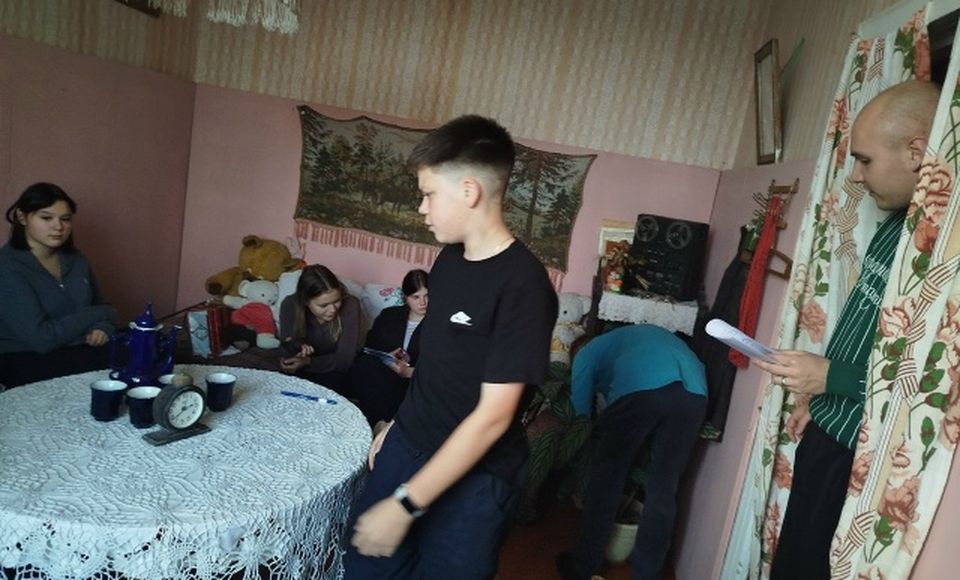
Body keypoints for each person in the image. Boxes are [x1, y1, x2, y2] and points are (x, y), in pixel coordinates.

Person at [343, 115, 558, 579]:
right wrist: (396, 424)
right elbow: (437, 364)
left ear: (468, 191)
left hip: (476, 476)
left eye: (429, 194)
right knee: (364, 566)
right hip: (409, 442)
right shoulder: (449, 260)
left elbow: (493, 417)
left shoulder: (524, 286)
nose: (422, 208)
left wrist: (406, 503)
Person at [753, 80, 940, 580]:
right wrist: (819, 396)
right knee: (790, 564)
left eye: (865, 160)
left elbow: (929, 379)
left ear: (917, 152)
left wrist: (829, 377)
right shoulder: (897, 225)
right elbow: (862, 324)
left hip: (861, 454)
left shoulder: (942, 249)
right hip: (828, 431)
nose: (856, 175)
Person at [554, 325, 707, 580]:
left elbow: (580, 416)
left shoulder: (585, 353)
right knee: (663, 489)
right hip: (695, 394)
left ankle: (583, 567)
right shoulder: (628, 340)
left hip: (642, 388)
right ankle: (647, 574)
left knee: (607, 480)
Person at [0, 182, 117, 388]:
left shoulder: (76, 258)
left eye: (65, 219)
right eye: (46, 218)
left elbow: (104, 307)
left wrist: (102, 327)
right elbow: (41, 339)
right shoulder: (7, 266)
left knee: (145, 355)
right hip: (25, 357)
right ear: (22, 217)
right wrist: (98, 315)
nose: (58, 227)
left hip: (80, 349)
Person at [349, 269, 429, 425]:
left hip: (414, 380)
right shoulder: (390, 316)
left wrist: (408, 370)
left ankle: (379, 424)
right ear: (405, 297)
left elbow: (439, 366)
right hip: (384, 374)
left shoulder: (439, 323)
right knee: (364, 365)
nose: (423, 302)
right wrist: (387, 357)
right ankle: (377, 423)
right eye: (416, 297)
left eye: (427, 296)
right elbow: (369, 348)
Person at [278, 264, 361, 394]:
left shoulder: (350, 305)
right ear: (305, 302)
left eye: (337, 301)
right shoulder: (290, 304)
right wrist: (295, 348)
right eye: (324, 305)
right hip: (302, 371)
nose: (333, 310)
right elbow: (286, 348)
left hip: (334, 373)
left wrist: (308, 361)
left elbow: (344, 361)